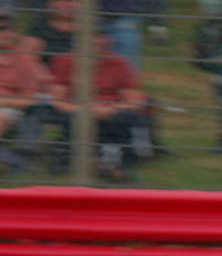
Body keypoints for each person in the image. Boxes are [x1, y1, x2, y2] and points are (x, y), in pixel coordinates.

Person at [49, 30, 153, 180]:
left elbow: (134, 100)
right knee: (73, 120)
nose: (97, 43)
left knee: (125, 117)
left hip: (112, 111)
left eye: (101, 38)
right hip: (76, 109)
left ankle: (105, 163)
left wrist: (110, 109)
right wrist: (85, 110)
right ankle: (103, 165)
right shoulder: (66, 61)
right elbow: (57, 100)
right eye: (92, 39)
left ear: (109, 41)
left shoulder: (119, 62)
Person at [0, 10, 49, 171]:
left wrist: (7, 101)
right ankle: (10, 159)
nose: (5, 33)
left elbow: (31, 98)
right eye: (1, 29)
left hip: (10, 108)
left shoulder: (24, 60)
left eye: (9, 29)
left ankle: (11, 159)